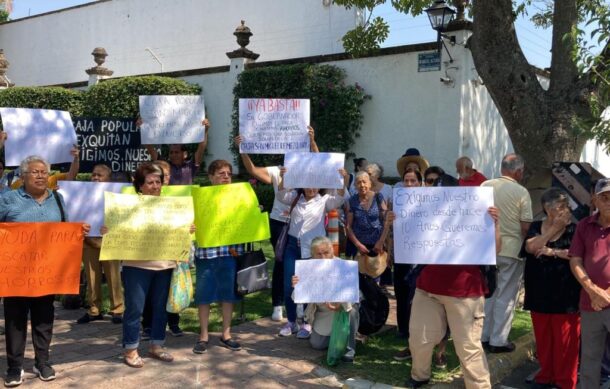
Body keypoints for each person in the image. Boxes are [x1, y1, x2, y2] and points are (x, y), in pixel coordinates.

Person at [0, 155, 90, 386]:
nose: (41, 176)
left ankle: (43, 362)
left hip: (46, 274)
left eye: (44, 172)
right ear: (22, 176)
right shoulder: (8, 199)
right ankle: (14, 367)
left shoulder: (57, 199)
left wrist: (79, 231)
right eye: (35, 172)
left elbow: (65, 232)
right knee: (15, 320)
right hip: (16, 274)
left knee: (44, 319)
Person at [104, 162, 194, 368]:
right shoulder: (126, 207)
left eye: (158, 181)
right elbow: (115, 231)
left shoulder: (172, 207)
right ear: (140, 186)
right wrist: (107, 230)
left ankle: (157, 345)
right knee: (135, 308)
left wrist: (187, 229)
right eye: (150, 182)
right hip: (136, 266)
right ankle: (130, 349)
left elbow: (179, 234)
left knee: (160, 308)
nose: (155, 186)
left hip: (164, 265)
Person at [407, 207, 501, 389]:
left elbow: (494, 250)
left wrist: (495, 226)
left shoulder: (476, 218)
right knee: (419, 338)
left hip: (465, 291)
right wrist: (396, 221)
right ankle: (419, 376)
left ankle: (479, 386)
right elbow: (409, 241)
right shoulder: (428, 216)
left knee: (468, 345)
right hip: (427, 288)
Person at [234, 129, 319, 322]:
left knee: (303, 263)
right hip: (280, 223)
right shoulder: (277, 171)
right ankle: (278, 305)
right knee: (281, 263)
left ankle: (300, 304)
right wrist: (242, 149)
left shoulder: (309, 170)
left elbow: (323, 164)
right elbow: (253, 171)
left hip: (304, 224)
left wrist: (313, 141)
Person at [276, 167, 347, 337]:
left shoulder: (324, 200)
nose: (311, 188)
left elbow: (340, 199)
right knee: (288, 285)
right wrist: (283, 177)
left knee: (309, 286)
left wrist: (343, 180)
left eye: (315, 185)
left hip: (314, 250)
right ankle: (291, 321)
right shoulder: (294, 198)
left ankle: (307, 322)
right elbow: (280, 195)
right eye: (308, 185)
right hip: (293, 247)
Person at [522, 187, 580, 389]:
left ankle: (565, 382)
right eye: (561, 206)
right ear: (548, 209)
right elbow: (530, 247)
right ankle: (546, 376)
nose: (566, 210)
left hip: (566, 296)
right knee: (544, 342)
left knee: (566, 345)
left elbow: (574, 254)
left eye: (567, 205)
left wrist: (551, 251)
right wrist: (553, 230)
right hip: (539, 294)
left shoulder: (575, 229)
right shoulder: (536, 227)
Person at [192, 160, 246, 354]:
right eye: (221, 173)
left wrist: (253, 215)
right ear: (211, 176)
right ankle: (203, 335)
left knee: (228, 295)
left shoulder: (239, 197)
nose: (225, 176)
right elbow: (191, 220)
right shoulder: (200, 198)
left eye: (228, 174)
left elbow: (245, 221)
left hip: (229, 253)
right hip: (206, 253)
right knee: (204, 296)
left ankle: (226, 334)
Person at [481, 154, 533, 353]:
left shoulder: (485, 185)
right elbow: (526, 225)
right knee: (507, 295)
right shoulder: (521, 192)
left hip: (487, 248)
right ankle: (498, 340)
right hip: (511, 249)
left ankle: (484, 336)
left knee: (489, 294)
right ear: (518, 171)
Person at [291, 236, 360, 362]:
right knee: (318, 345)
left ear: (332, 251)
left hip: (342, 310)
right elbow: (298, 299)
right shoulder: (306, 268)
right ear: (312, 255)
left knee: (353, 310)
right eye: (319, 254)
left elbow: (354, 295)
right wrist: (296, 286)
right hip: (322, 313)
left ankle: (350, 347)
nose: (323, 257)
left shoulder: (343, 266)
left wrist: (340, 305)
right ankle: (337, 338)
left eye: (326, 253)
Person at [569, 178, 610, 388]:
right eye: (604, 197)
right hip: (590, 304)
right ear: (594, 200)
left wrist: (606, 295)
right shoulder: (585, 225)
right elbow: (575, 259)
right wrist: (593, 291)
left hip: (602, 300)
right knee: (589, 360)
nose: (609, 201)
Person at [76, 164, 125, 325]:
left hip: (110, 239)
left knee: (113, 276)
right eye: (93, 175)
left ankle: (117, 310)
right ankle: (94, 310)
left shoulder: (118, 194)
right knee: (91, 277)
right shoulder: (82, 193)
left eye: (100, 175)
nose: (95, 178)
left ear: (108, 179)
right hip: (88, 240)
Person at [140, 160, 184, 337]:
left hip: (169, 254)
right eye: (158, 176)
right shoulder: (138, 200)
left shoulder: (175, 199)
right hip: (145, 255)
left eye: (164, 176)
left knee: (171, 289)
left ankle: (172, 322)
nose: (162, 180)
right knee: (150, 293)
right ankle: (148, 325)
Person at [393, 167, 423, 361]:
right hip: (400, 253)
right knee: (400, 290)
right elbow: (391, 230)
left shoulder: (427, 202)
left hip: (419, 254)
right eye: (406, 180)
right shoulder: (397, 200)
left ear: (419, 183)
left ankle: (415, 329)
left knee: (414, 294)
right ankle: (402, 328)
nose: (409, 184)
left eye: (413, 181)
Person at [141, 118, 210, 185]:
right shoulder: (165, 165)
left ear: (185, 154)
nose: (173, 155)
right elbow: (150, 149)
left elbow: (201, 148)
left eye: (176, 152)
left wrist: (205, 131)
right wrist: (143, 129)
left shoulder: (190, 166)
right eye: (171, 152)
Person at [345, 171, 390, 258]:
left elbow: (386, 221)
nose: (362, 185)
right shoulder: (352, 201)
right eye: (358, 182)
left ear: (370, 183)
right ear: (355, 185)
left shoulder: (378, 197)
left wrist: (381, 242)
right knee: (361, 270)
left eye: (364, 182)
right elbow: (348, 227)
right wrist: (358, 245)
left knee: (380, 270)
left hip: (377, 245)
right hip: (359, 247)